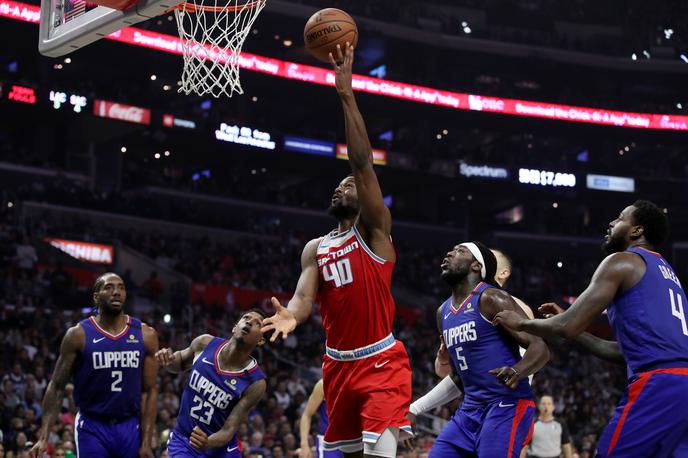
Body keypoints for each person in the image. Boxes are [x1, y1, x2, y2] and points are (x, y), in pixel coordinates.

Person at [261, 42, 412, 458]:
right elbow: (304, 297)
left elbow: (362, 163)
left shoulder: (376, 231)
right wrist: (291, 314)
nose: (341, 185)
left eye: (348, 185)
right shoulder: (316, 247)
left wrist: (346, 95)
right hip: (337, 366)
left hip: (381, 361)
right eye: (338, 184)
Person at [493, 200, 688, 457]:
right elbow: (623, 351)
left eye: (620, 218)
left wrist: (521, 323)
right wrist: (574, 330)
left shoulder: (622, 261)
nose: (611, 223)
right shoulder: (668, 275)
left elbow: (565, 326)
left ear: (636, 231)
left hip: (660, 383)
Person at [412, 242, 550, 457]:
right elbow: (458, 378)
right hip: (470, 410)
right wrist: (415, 409)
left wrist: (517, 371)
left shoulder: (492, 298)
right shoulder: (443, 312)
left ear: (476, 266)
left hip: (506, 404)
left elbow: (540, 348)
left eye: (459, 251)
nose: (449, 252)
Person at [30, 272, 159, 458]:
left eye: (121, 287)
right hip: (92, 425)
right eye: (109, 287)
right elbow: (57, 386)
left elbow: (150, 391)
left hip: (129, 424)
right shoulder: (78, 335)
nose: (116, 292)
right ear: (96, 297)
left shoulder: (146, 335)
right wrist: (44, 437)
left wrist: (146, 441)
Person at [158, 309, 268, 457]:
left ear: (260, 340)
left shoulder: (256, 382)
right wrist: (168, 360)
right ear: (235, 327)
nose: (249, 322)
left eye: (257, 323)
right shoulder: (205, 343)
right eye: (246, 318)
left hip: (221, 450)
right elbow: (178, 363)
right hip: (185, 440)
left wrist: (208, 443)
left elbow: (229, 429)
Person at [299, 379, 343, 458]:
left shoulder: (360, 382)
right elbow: (306, 415)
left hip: (354, 441)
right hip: (329, 443)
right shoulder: (323, 384)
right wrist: (304, 445)